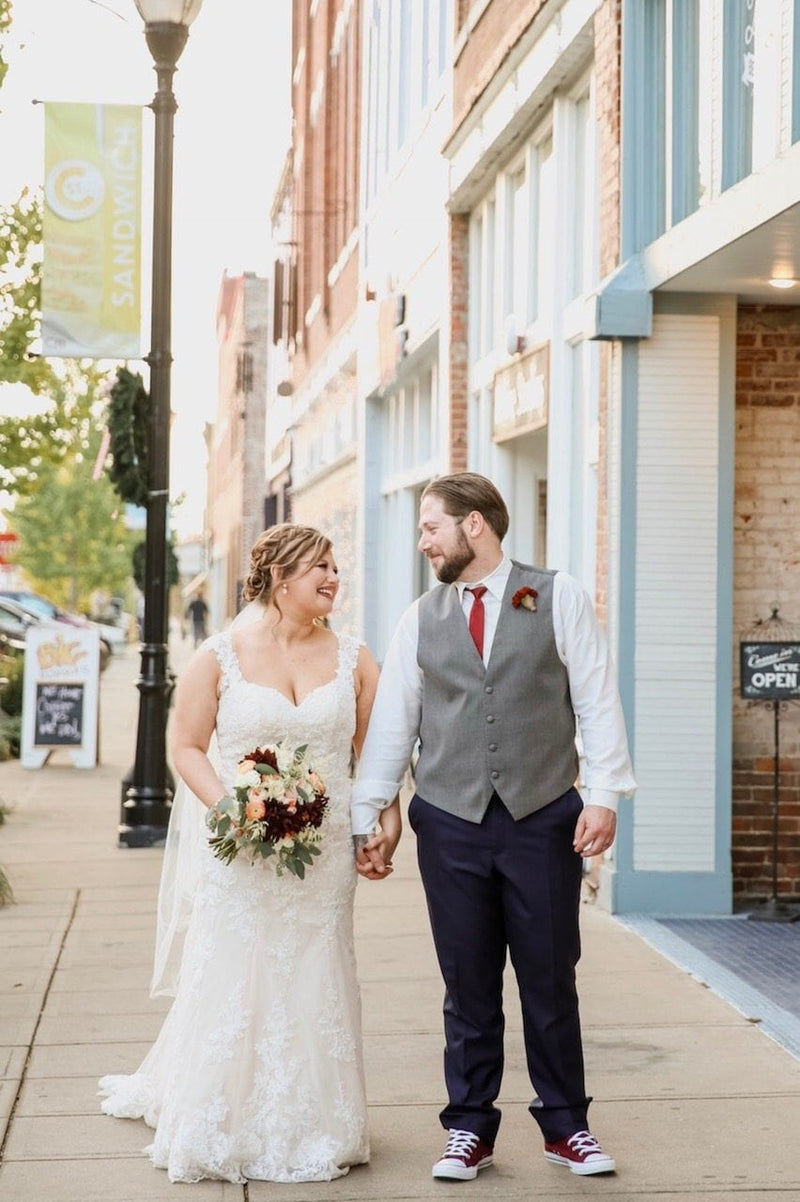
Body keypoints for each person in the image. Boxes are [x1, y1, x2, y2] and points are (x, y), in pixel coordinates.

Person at [352, 473, 635, 1181]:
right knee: (467, 983)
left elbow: (596, 697)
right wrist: (372, 815)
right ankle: (469, 1129)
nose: (423, 541)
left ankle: (567, 1126)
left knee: (548, 977)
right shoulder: (421, 616)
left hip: (543, 817)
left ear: (473, 525)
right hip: (450, 820)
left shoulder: (557, 595)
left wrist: (603, 795)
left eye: (431, 527)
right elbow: (395, 723)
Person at [99, 524, 401, 1184]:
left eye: (335, 568)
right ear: (280, 576)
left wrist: (385, 820)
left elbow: (375, 757)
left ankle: (319, 1118)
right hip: (241, 849)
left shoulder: (356, 658)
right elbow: (184, 747)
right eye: (319, 567)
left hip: (321, 860)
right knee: (238, 971)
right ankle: (220, 1113)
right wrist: (232, 809)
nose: (333, 579)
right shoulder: (219, 656)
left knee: (317, 967)